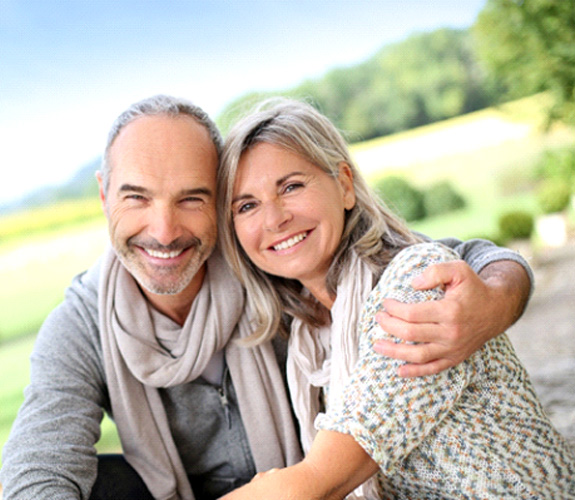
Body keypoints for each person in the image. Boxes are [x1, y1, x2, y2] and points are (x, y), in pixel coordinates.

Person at [0, 95, 534, 500]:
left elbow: (454, 257)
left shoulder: (265, 265)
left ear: (219, 203)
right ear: (102, 194)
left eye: (192, 198)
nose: (164, 231)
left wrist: (496, 297)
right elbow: (39, 467)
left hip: (301, 486)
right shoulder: (83, 322)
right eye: (136, 197)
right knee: (104, 482)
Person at [217, 98, 575, 499]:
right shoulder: (308, 337)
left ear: (345, 185)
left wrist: (504, 287)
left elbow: (316, 483)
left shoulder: (415, 287)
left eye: (292, 186)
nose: (273, 218)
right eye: (247, 206)